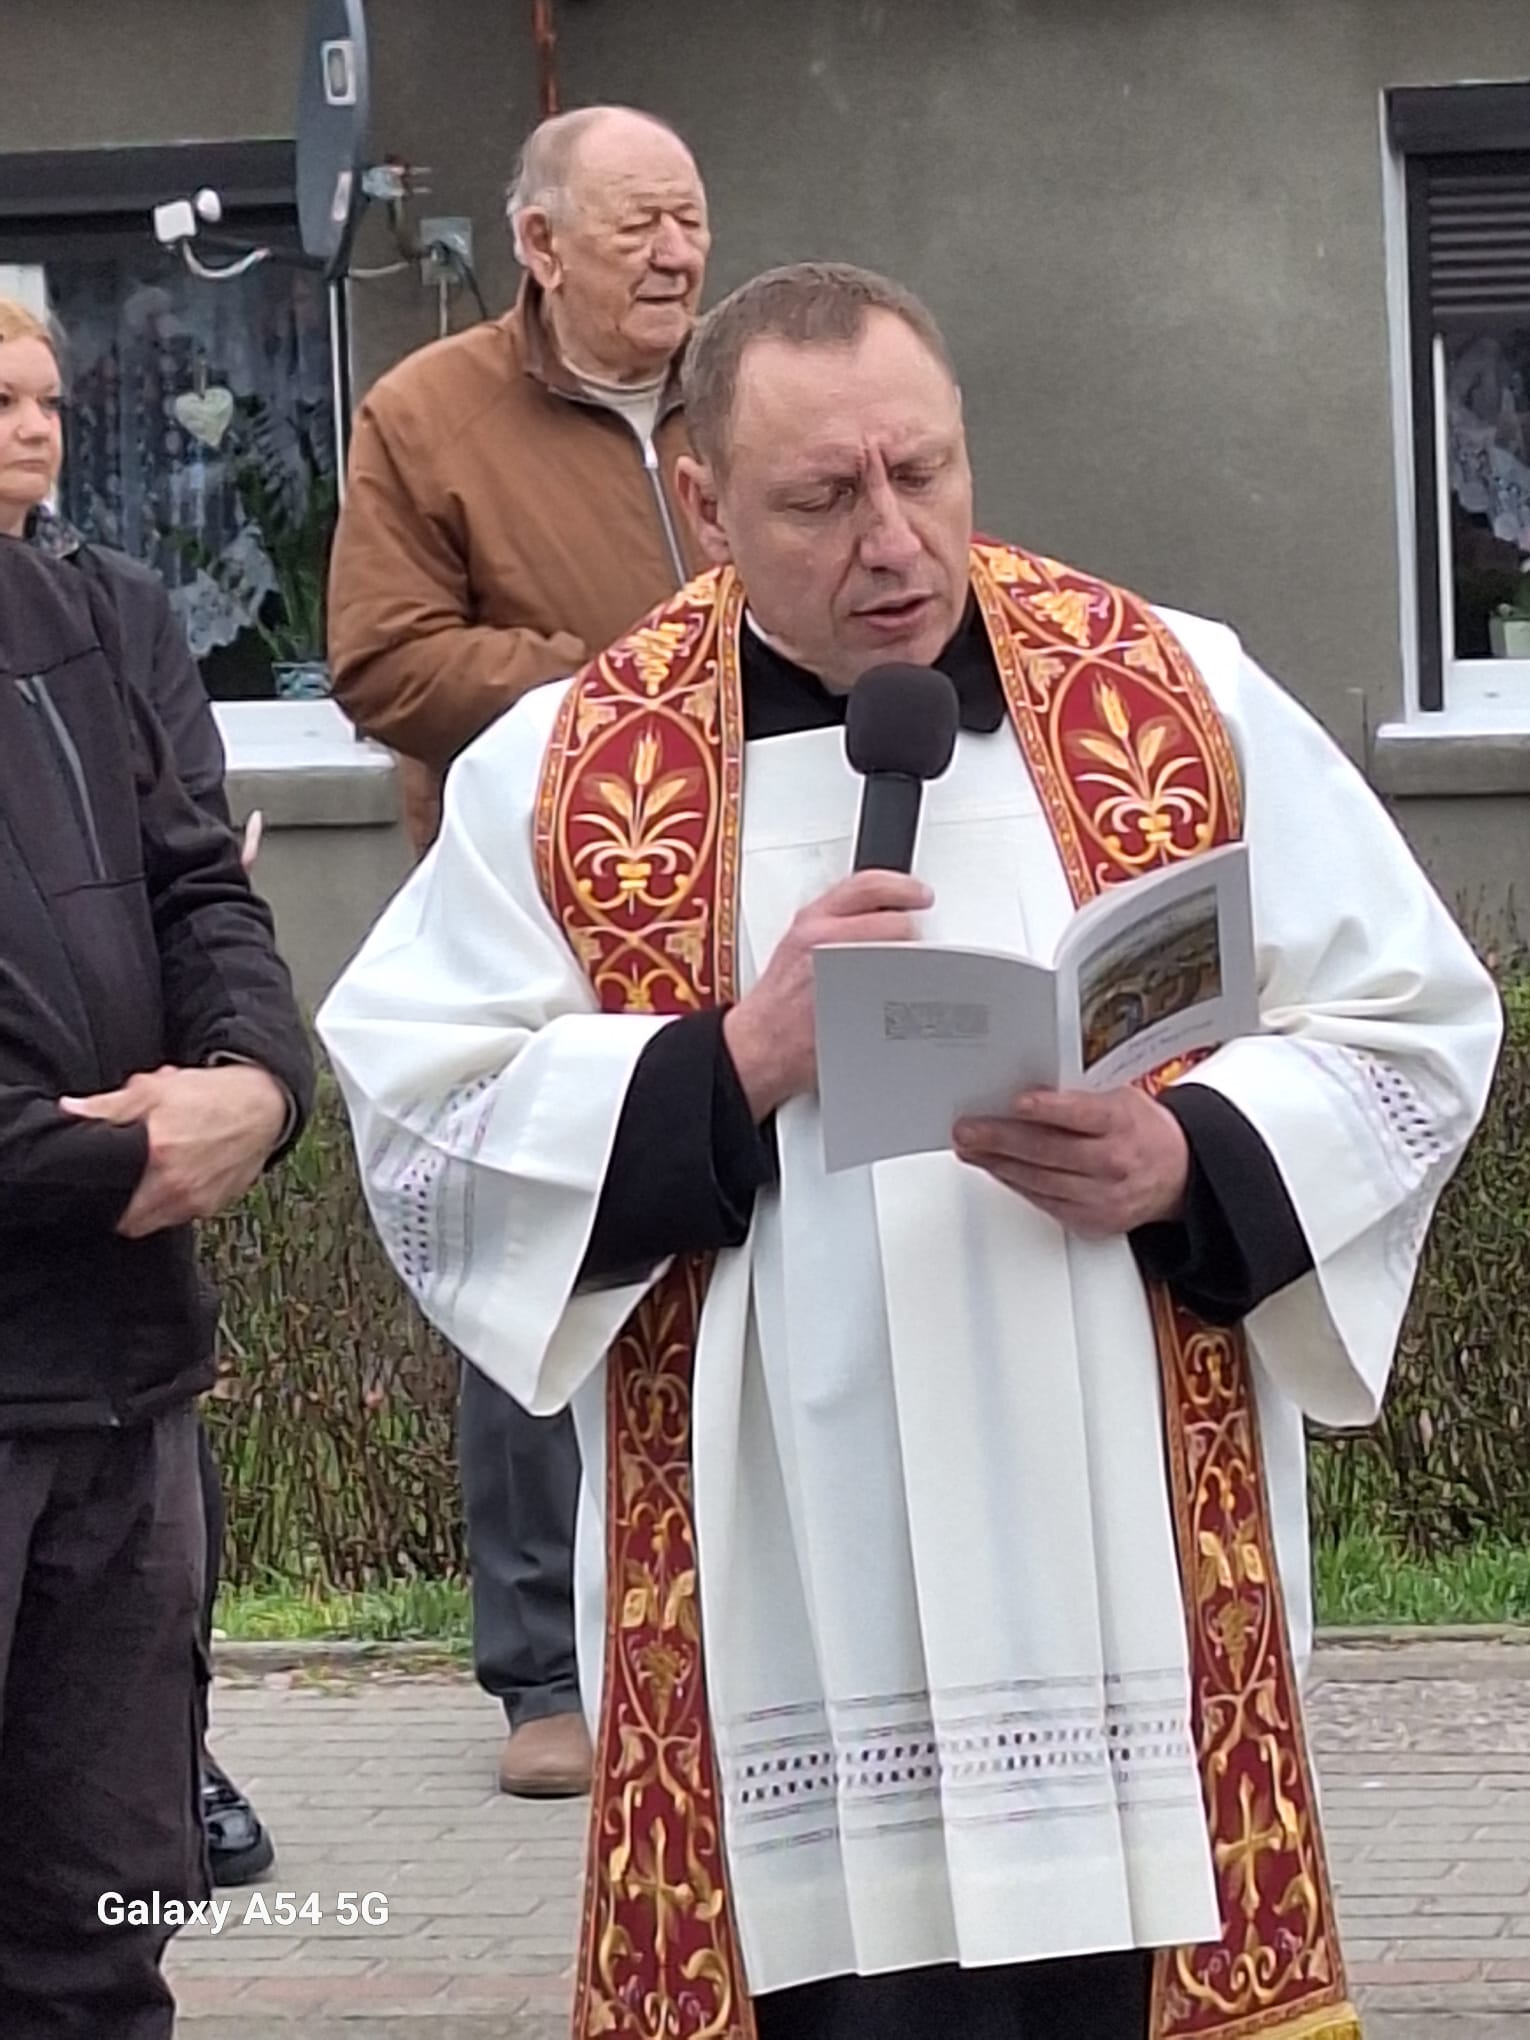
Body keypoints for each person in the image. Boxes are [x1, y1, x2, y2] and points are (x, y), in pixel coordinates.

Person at [318, 262, 1502, 2040]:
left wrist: (1193, 1162)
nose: (892, 541)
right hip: (788, 1580)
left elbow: (1413, 1022)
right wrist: (726, 1063)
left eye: (922, 472)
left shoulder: (1171, 695)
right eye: (820, 498)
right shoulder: (572, 766)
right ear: (704, 501)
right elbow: (419, 1118)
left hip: (1119, 1543)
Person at [325, 104, 711, 1798]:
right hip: (538, 913)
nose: (676, 254)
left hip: (756, 897)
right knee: (541, 1248)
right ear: (539, 245)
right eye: (637, 224)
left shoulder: (745, 387)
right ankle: (543, 1672)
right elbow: (383, 662)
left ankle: (729, 1637)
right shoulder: (425, 413)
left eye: (690, 219)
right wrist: (620, 689)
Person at [0, 527, 313, 2037]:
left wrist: (255, 1079)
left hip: (119, 1388)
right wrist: (97, 1165)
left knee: (99, 1941)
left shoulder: (72, 610)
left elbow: (197, 882)